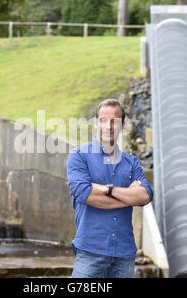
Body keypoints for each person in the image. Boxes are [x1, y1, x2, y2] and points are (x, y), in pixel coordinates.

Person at [66, 98, 154, 278]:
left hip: (124, 255)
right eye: (103, 120)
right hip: (90, 252)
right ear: (95, 123)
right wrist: (128, 197)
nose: (109, 126)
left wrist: (108, 190)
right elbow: (85, 194)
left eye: (114, 121)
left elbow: (145, 196)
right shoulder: (79, 156)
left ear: (122, 125)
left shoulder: (131, 162)